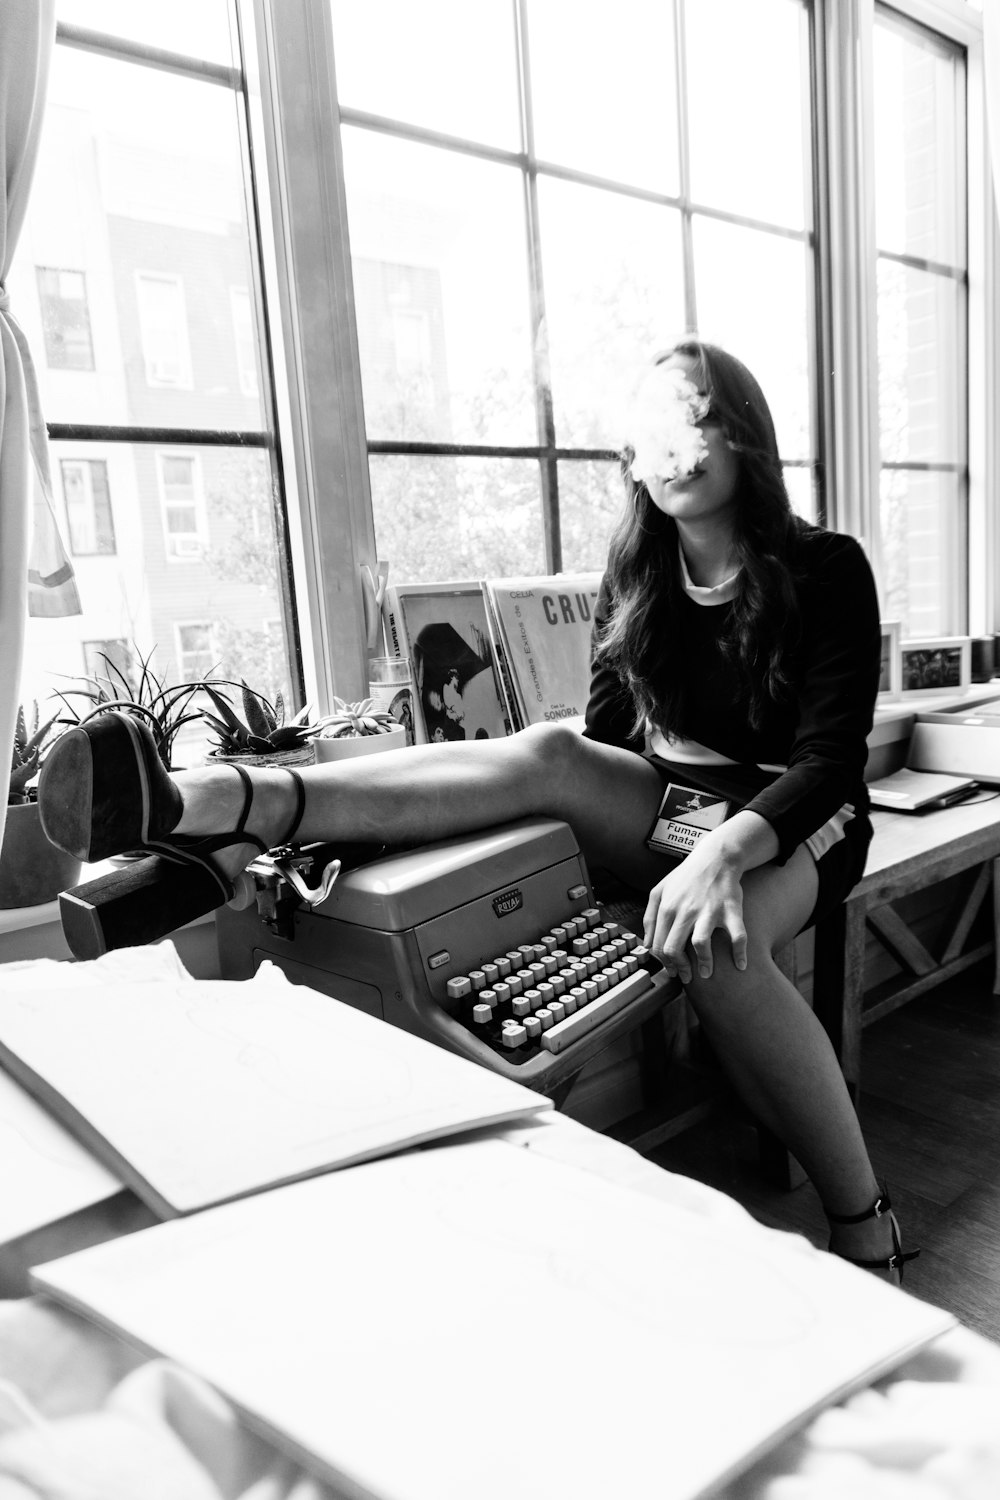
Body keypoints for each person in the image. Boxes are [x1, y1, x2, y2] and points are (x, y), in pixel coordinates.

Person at [38, 337, 915, 1282]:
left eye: (699, 417)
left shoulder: (825, 567)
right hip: (679, 808)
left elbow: (830, 762)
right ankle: (223, 799)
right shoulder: (641, 573)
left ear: (745, 433)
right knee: (546, 752)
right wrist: (605, 845)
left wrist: (721, 856)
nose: (680, 448)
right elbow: (608, 750)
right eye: (659, 425)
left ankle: (867, 1223)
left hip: (795, 815)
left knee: (719, 944)